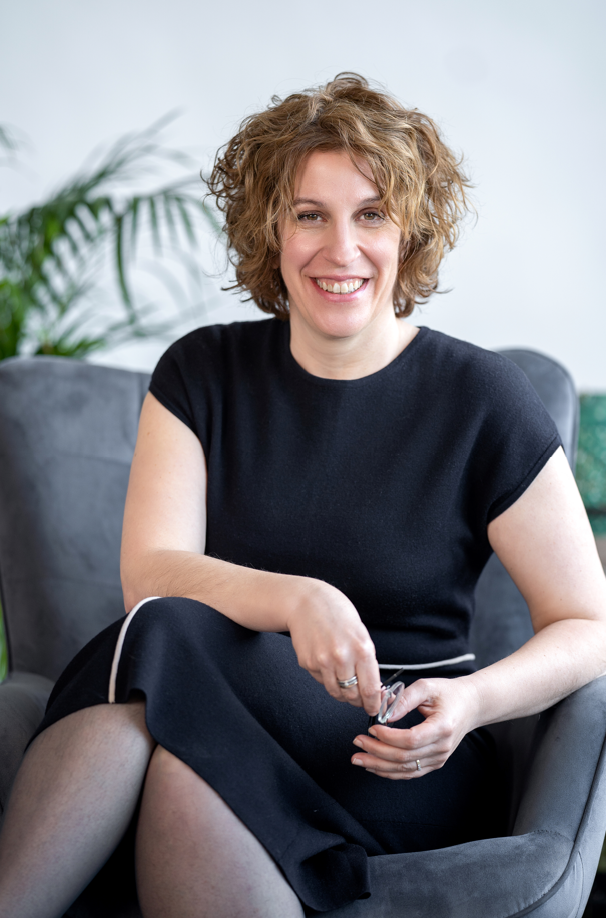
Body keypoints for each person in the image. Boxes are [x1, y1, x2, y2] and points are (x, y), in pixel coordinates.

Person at [1, 72, 605, 918]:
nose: (340, 248)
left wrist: (471, 703)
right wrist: (296, 600)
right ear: (269, 230)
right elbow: (152, 575)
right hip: (219, 716)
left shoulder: (483, 399)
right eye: (308, 214)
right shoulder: (200, 374)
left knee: (167, 649)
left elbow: (590, 625)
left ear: (411, 232)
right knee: (181, 729)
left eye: (371, 214)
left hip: (394, 749)